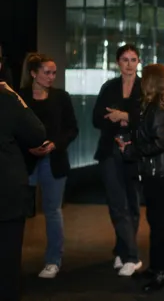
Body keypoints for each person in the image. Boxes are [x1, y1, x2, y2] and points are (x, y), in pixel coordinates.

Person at [117, 63, 164, 292]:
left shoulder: (157, 107)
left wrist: (131, 149)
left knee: (159, 223)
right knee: (163, 220)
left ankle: (162, 271)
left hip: (161, 172)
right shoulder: (162, 104)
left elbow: (161, 142)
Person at [19, 53, 79, 279]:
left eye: (54, 73)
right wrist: (29, 147)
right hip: (25, 161)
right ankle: (11, 260)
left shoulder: (61, 97)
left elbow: (72, 129)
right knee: (17, 212)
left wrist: (54, 144)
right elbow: (13, 129)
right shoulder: (19, 97)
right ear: (34, 73)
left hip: (54, 160)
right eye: (47, 72)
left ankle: (53, 260)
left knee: (53, 211)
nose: (51, 77)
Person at [92, 44, 143, 276]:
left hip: (136, 151)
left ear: (138, 62)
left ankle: (123, 251)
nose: (129, 64)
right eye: (125, 59)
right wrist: (115, 119)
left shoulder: (144, 87)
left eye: (133, 59)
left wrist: (124, 116)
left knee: (132, 203)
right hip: (110, 150)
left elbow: (146, 119)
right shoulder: (109, 87)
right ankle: (131, 256)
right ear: (117, 62)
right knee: (117, 203)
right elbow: (96, 118)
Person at [0, 81, 46, 300]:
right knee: (8, 259)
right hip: (7, 188)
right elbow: (37, 134)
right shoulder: (7, 99)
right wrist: (16, 97)